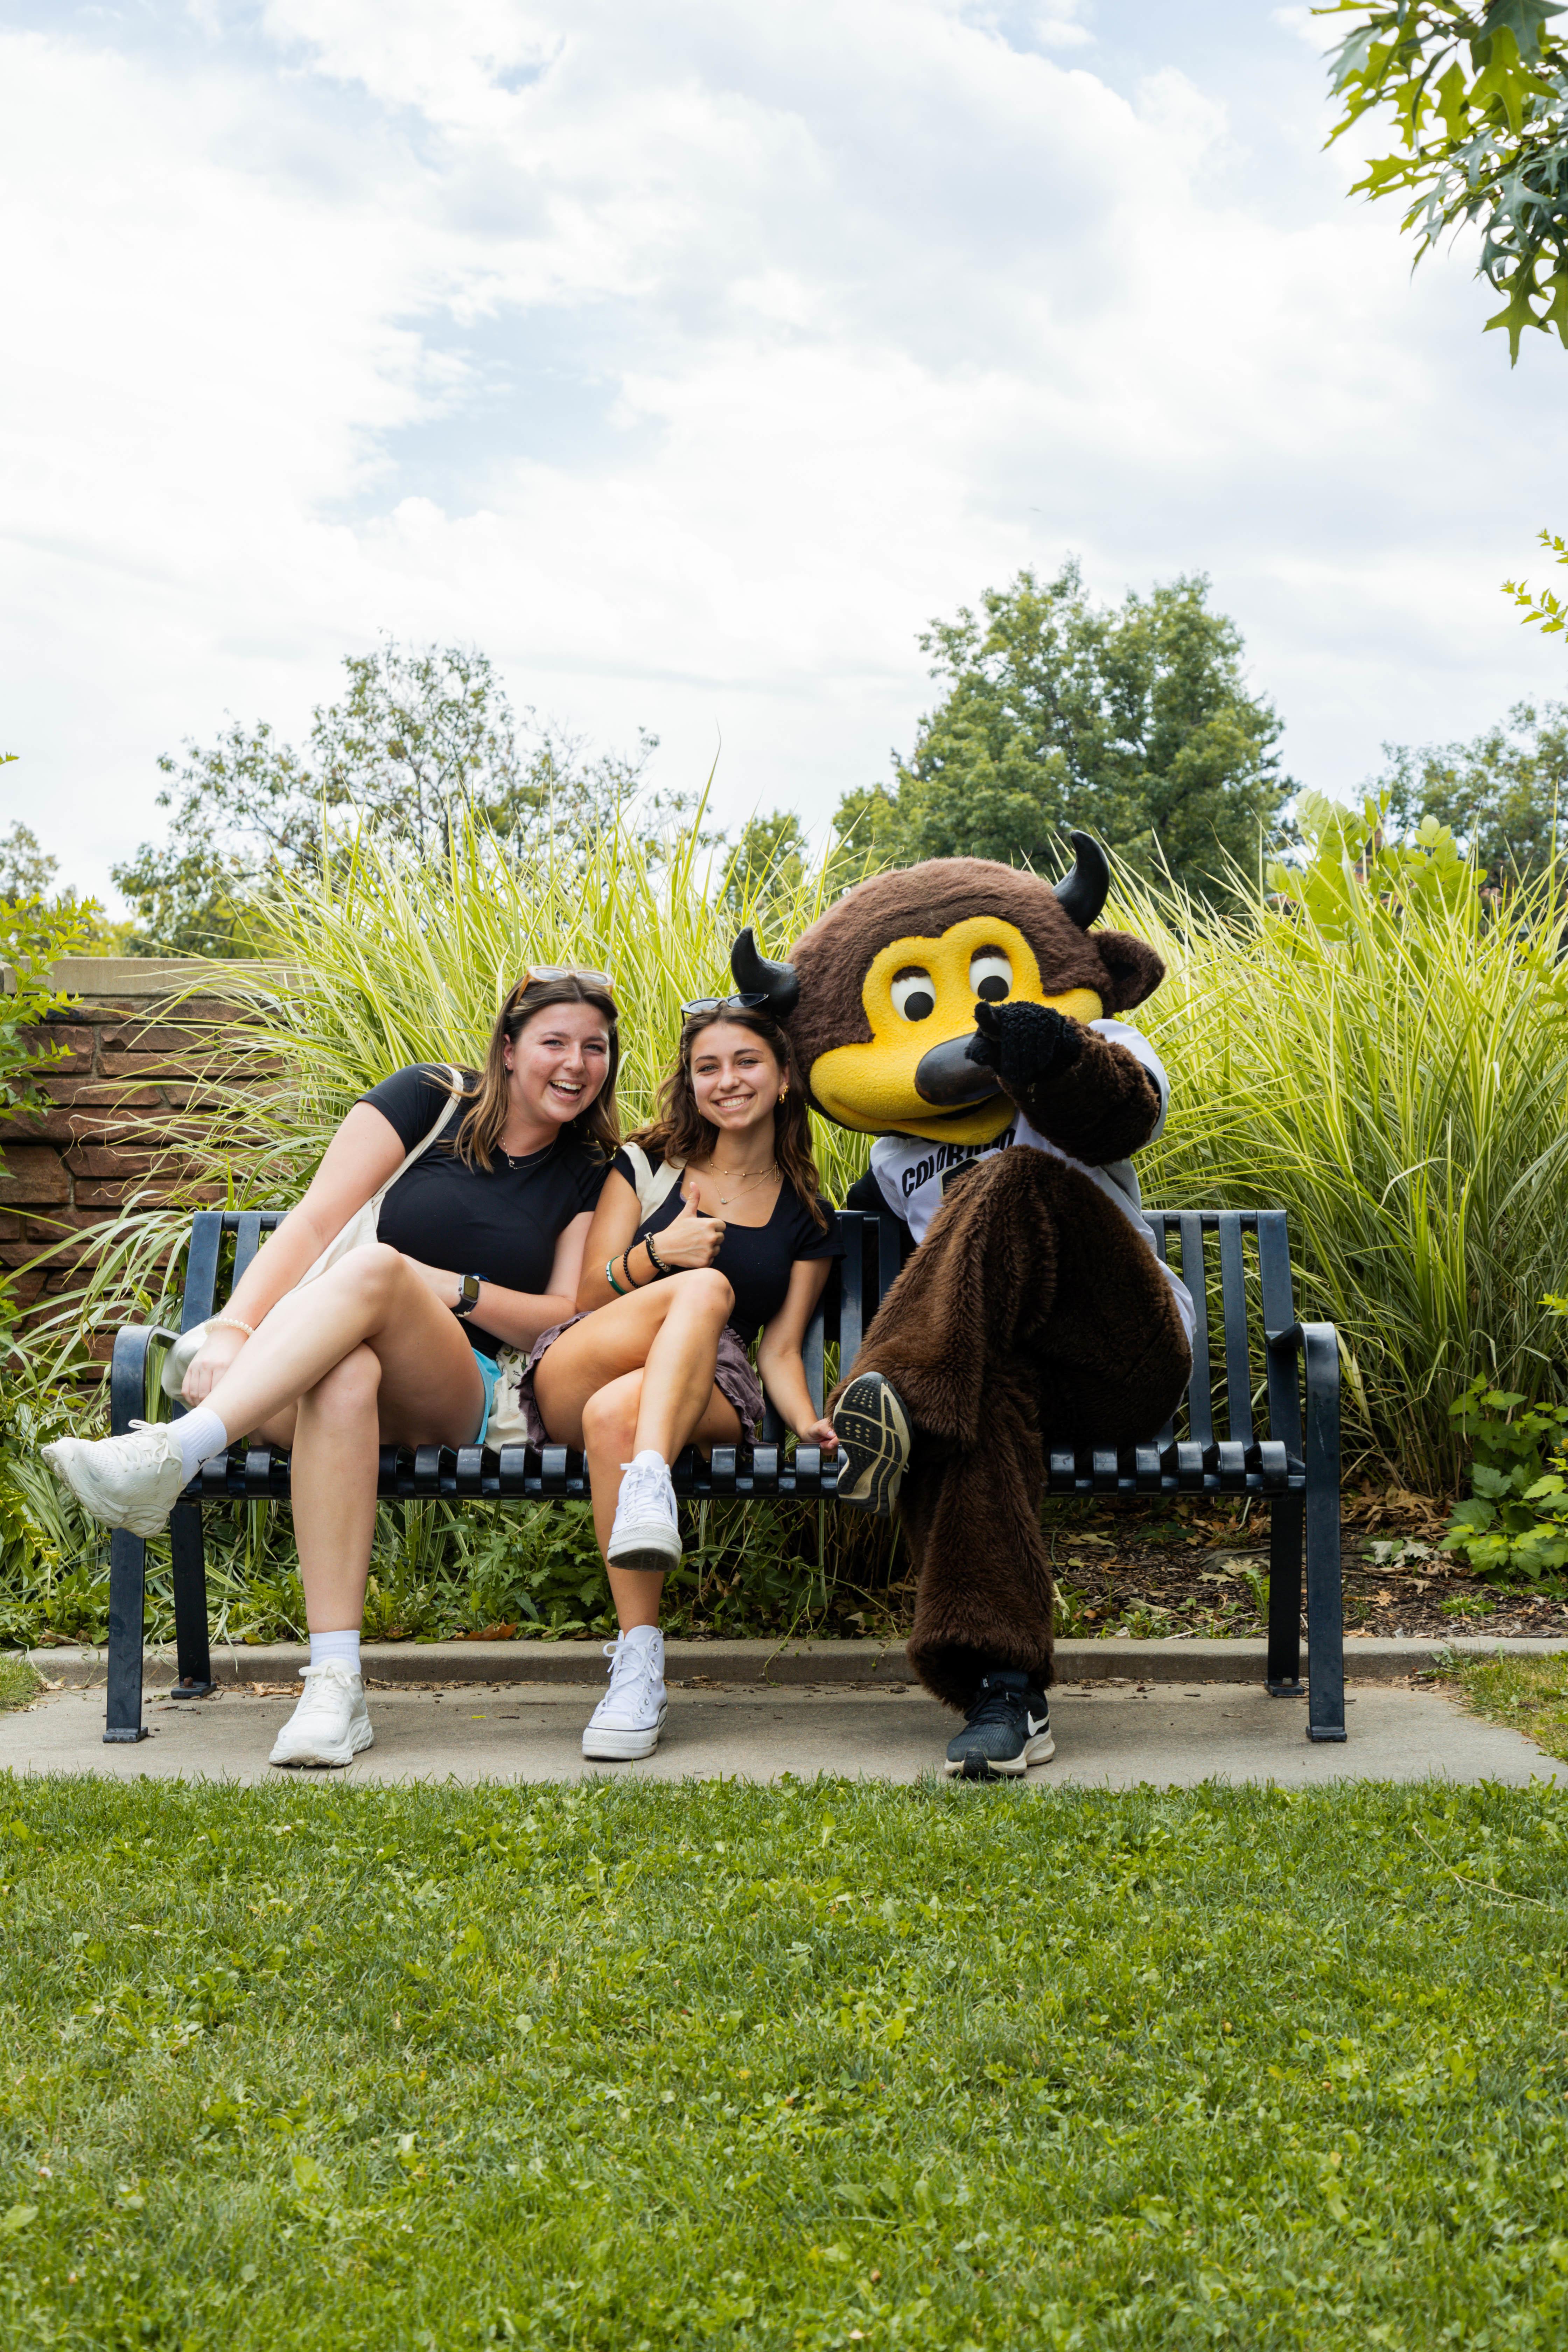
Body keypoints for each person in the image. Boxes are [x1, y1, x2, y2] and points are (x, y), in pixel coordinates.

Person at [44, 969, 621, 1769]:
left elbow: (563, 1308)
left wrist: (448, 1288)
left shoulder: (591, 1167)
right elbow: (317, 1218)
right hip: (312, 1368)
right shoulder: (428, 1098)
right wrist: (233, 1331)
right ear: (509, 1048)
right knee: (346, 1375)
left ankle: (176, 1451)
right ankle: (335, 1688)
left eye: (595, 1047)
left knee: (383, 1269)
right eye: (555, 1041)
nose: (576, 1063)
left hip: (455, 1389)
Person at [527, 996, 844, 1762]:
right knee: (704, 1290)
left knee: (617, 1417)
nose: (726, 1081)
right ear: (690, 1083)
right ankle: (649, 1482)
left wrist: (805, 1422)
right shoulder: (644, 1164)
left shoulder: (808, 1215)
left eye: (745, 1063)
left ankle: (638, 1667)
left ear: (783, 1078)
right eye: (707, 1067)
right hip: (591, 1350)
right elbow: (588, 1297)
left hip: (708, 1385)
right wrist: (661, 1255)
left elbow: (778, 1351)